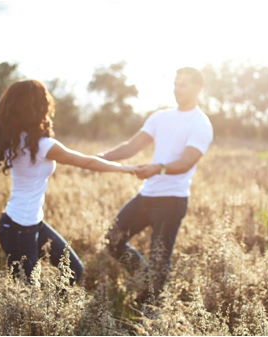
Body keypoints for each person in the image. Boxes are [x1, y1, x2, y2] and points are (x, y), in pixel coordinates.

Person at [0, 79, 136, 284]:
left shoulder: (14, 139)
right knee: (26, 297)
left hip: (28, 224)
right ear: (39, 107)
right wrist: (128, 169)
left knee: (73, 270)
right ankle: (40, 315)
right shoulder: (42, 145)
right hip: (19, 230)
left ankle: (53, 312)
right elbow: (87, 162)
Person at [98, 67, 213, 304]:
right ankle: (145, 278)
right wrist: (100, 158)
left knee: (160, 259)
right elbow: (131, 146)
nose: (177, 89)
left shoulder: (201, 123)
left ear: (198, 88)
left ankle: (150, 308)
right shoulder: (160, 117)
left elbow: (186, 161)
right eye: (175, 84)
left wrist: (158, 168)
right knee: (113, 240)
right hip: (146, 196)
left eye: (183, 85)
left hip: (172, 200)